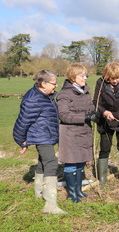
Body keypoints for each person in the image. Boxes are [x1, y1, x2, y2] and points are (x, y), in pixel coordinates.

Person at [13, 69, 67, 214]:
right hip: (42, 136)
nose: (56, 86)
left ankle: (38, 194)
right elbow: (22, 122)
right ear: (43, 84)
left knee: (43, 163)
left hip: (45, 135)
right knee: (51, 163)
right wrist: (21, 141)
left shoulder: (44, 95)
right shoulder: (34, 99)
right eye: (54, 83)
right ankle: (50, 205)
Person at [57, 63, 99, 203]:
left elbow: (91, 107)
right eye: (82, 75)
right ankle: (71, 193)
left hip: (84, 131)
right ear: (73, 77)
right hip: (70, 134)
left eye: (85, 75)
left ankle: (78, 189)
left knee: (81, 162)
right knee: (71, 163)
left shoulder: (85, 91)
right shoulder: (64, 94)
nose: (85, 78)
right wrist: (85, 117)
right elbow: (63, 115)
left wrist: (95, 114)